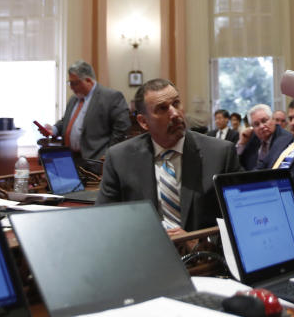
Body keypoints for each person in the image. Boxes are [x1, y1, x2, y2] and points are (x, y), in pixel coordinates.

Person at [97, 79, 240, 233]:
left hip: (202, 254)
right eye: (162, 108)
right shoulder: (120, 158)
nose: (174, 113)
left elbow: (240, 219)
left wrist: (199, 242)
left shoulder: (220, 153)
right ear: (144, 121)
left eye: (176, 103)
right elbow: (105, 220)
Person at [45, 61, 131, 160]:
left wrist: (108, 154)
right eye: (70, 83)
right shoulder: (74, 99)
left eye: (75, 83)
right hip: (71, 158)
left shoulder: (111, 97)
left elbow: (122, 129)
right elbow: (66, 121)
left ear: (88, 81)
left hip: (96, 160)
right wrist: (54, 129)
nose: (72, 87)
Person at [237, 103, 292, 170]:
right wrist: (242, 143)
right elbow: (238, 165)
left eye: (264, 121)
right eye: (256, 124)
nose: (261, 126)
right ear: (252, 127)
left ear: (273, 120)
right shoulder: (251, 138)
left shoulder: (285, 139)